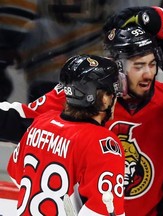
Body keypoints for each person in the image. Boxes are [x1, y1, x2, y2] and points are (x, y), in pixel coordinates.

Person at [1, 6, 163, 215]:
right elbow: (20, 120)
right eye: (138, 66)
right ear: (117, 67)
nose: (149, 74)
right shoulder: (84, 96)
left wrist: (161, 35)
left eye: (152, 64)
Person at [7, 54, 125, 215]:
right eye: (114, 93)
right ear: (104, 99)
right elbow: (102, 212)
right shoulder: (103, 144)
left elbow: (16, 174)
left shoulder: (41, 122)